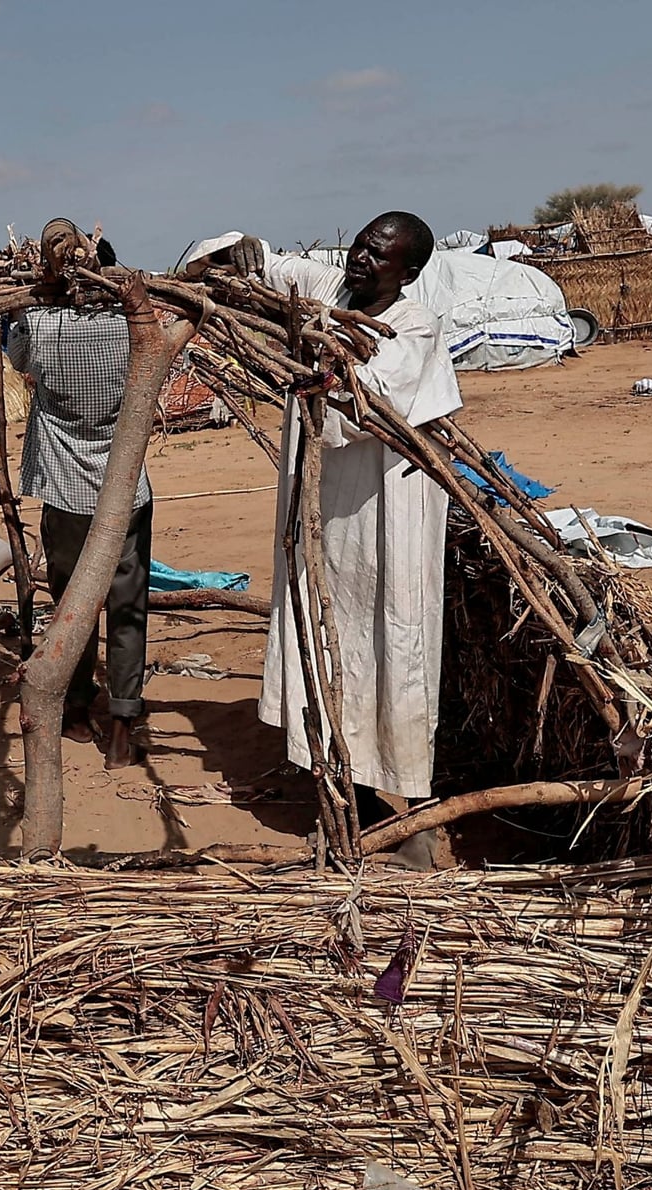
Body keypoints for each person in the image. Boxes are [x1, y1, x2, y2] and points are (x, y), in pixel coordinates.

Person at [212, 212, 463, 852]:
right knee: (326, 636)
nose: (362, 259)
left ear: (408, 271)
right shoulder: (329, 292)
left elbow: (366, 398)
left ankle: (414, 809)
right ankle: (336, 779)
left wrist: (321, 357)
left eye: (381, 255)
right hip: (325, 509)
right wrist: (239, 252)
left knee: (393, 644)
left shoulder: (415, 327)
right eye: (360, 245)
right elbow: (254, 260)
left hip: (388, 515)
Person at [9, 220, 148, 770]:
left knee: (72, 607)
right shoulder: (133, 325)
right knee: (127, 608)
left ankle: (73, 708)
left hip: (66, 495)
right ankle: (120, 730)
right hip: (125, 492)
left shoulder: (41, 328)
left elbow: (15, 352)